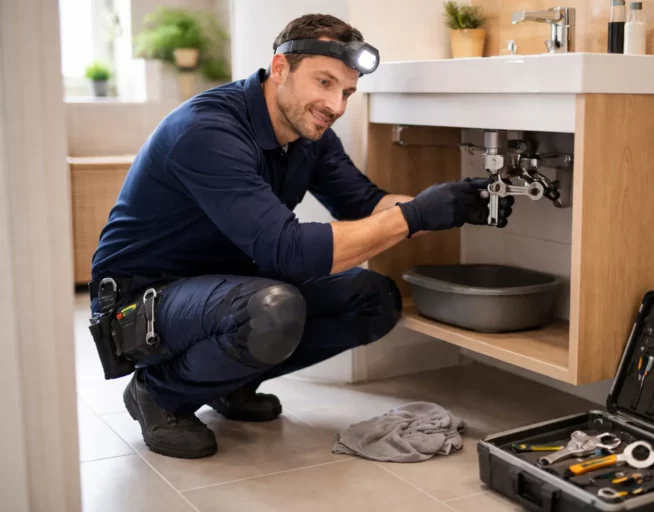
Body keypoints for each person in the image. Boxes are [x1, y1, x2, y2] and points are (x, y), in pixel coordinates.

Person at [89, 13, 513, 459]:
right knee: (273, 308)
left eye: (346, 91)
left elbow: (363, 203)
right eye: (324, 82)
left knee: (374, 299)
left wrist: (449, 205)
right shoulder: (207, 131)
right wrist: (415, 215)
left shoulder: (307, 134)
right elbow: (287, 252)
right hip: (142, 304)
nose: (336, 106)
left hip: (220, 287)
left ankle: (228, 381)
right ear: (279, 69)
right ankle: (158, 393)